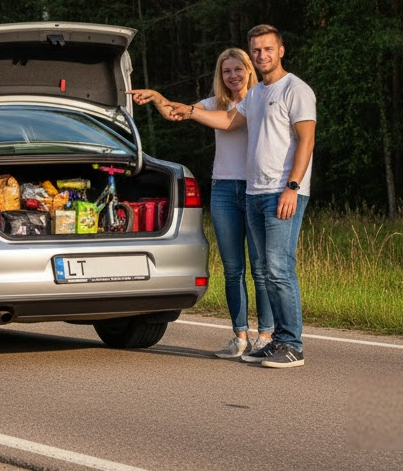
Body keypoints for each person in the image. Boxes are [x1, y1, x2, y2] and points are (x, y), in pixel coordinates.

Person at [166, 24, 316, 369]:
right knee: (265, 268)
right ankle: (275, 341)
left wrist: (292, 188)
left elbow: (306, 141)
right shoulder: (256, 94)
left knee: (278, 268)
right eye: (257, 50)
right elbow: (229, 121)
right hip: (254, 192)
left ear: (281, 50)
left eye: (267, 49)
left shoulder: (296, 90)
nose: (262, 55)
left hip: (283, 192)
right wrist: (186, 109)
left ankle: (292, 344)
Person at [130, 48, 274, 360]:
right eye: (226, 71)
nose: (233, 75)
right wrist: (156, 97)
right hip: (223, 189)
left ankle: (265, 336)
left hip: (254, 187)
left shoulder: (257, 100)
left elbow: (228, 123)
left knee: (260, 268)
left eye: (238, 69)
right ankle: (240, 338)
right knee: (233, 268)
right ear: (220, 77)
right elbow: (175, 112)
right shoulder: (213, 103)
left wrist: (193, 112)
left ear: (249, 70)